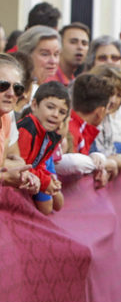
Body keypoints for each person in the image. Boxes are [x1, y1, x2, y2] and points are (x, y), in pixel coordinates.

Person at [16, 81, 70, 214]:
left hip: (32, 175)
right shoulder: (27, 128)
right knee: (46, 208)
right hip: (15, 176)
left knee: (58, 203)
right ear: (34, 105)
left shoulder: (50, 135)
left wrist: (50, 178)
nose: (56, 114)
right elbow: (19, 165)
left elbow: (39, 164)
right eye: (50, 107)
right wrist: (45, 181)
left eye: (62, 112)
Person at [0, 53, 40, 193]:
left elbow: (17, 161)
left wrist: (26, 175)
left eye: (17, 88)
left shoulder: (6, 116)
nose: (11, 93)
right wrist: (4, 177)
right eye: (2, 85)